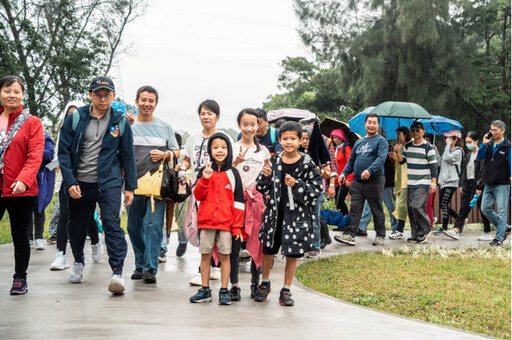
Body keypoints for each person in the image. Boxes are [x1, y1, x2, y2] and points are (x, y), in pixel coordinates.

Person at [58, 76, 137, 294]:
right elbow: (63, 152)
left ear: (113, 96)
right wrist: (70, 181)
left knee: (112, 223)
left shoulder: (120, 121)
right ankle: (78, 262)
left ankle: (117, 272)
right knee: (77, 226)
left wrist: (130, 187)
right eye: (98, 94)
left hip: (109, 182)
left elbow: (128, 156)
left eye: (107, 94)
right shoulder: (76, 118)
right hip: (79, 182)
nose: (103, 99)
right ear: (90, 95)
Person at [254, 121, 322, 307]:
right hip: (274, 217)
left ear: (300, 140)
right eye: (285, 138)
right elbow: (261, 187)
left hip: (296, 219)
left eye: (293, 138)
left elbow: (316, 189)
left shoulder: (308, 164)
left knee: (293, 254)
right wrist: (265, 175)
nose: (289, 142)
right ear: (280, 140)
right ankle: (265, 282)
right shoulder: (274, 161)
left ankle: (286, 289)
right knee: (268, 250)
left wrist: (297, 185)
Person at [176, 99, 233, 286]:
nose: (206, 117)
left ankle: (209, 269)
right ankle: (208, 267)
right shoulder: (193, 138)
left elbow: (230, 164)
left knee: (216, 228)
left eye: (210, 113)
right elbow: (187, 159)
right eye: (203, 113)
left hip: (218, 192)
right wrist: (182, 166)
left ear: (217, 116)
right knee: (201, 229)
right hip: (198, 191)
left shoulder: (224, 137)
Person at [127, 86, 178, 284]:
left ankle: (150, 268)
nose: (147, 104)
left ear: (156, 104)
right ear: (136, 101)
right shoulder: (127, 125)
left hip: (157, 186)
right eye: (143, 100)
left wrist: (165, 154)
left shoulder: (164, 126)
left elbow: (176, 150)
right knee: (133, 226)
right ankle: (139, 263)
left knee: (153, 225)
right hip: (132, 184)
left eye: (151, 101)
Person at [0, 75, 44, 295]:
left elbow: (35, 156)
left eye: (17, 91)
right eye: (8, 90)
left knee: (19, 235)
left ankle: (20, 278)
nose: (12, 95)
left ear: (23, 95)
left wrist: (24, 179)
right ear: (1, 93)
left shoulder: (32, 123)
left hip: (21, 189)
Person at [189, 133, 244, 305]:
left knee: (225, 256)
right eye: (215, 147)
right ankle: (205, 289)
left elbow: (239, 203)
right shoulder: (204, 172)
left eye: (223, 147)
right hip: (206, 223)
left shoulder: (233, 174)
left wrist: (237, 227)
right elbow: (197, 195)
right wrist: (204, 179)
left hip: (226, 224)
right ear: (209, 150)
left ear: (229, 150)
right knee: (205, 256)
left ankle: (224, 289)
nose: (219, 151)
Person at [50, 101, 103, 271]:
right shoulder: (65, 131)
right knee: (64, 215)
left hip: (88, 180)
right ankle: (61, 255)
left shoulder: (91, 130)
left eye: (76, 113)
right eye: (69, 114)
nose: (73, 117)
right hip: (67, 180)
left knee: (88, 216)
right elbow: (59, 152)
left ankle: (95, 241)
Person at [230, 108, 270, 300]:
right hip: (236, 201)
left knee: (257, 242)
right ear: (239, 125)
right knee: (235, 243)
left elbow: (267, 177)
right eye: (245, 124)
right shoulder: (232, 147)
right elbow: (226, 175)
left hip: (257, 202)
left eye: (253, 124)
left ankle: (256, 283)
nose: (249, 128)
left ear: (259, 125)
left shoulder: (263, 151)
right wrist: (235, 163)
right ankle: (234, 285)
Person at [334, 114, 388, 246]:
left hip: (375, 180)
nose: (371, 125)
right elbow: (351, 161)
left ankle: (380, 235)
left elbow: (381, 159)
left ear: (378, 125)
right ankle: (350, 234)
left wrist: (370, 170)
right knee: (355, 208)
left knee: (376, 209)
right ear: (365, 124)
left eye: (374, 123)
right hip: (358, 182)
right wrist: (344, 174)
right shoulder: (359, 142)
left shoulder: (381, 141)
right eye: (369, 122)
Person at [394, 121, 438, 244]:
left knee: (416, 206)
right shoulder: (408, 146)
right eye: (412, 130)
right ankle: (416, 234)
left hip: (423, 182)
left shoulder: (428, 147)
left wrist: (433, 183)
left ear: (423, 132)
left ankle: (426, 229)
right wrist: (397, 152)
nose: (415, 132)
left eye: (417, 130)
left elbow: (433, 166)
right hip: (410, 182)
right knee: (410, 209)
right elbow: (402, 162)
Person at [444, 132, 490, 240]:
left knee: (482, 208)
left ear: (476, 141)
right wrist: (461, 184)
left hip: (478, 184)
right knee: (464, 207)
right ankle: (456, 229)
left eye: (470, 142)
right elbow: (464, 171)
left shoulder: (481, 153)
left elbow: (482, 172)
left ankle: (487, 231)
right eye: (467, 142)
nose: (468, 144)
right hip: (468, 184)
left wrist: (479, 187)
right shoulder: (468, 155)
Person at [357, 128, 398, 237]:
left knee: (391, 206)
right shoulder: (369, 147)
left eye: (382, 134)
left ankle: (396, 228)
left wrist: (392, 156)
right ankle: (362, 228)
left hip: (387, 182)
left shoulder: (389, 148)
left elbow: (394, 164)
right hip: (372, 181)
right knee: (368, 206)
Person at [298, 124, 331, 258]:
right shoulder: (297, 153)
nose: (305, 141)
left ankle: (315, 246)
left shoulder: (319, 153)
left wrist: (320, 171)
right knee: (301, 219)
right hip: (301, 191)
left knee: (314, 220)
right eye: (303, 138)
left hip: (317, 192)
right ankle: (302, 244)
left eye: (308, 138)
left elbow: (328, 172)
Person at [477, 120, 511, 246]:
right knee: (485, 208)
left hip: (502, 183)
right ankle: (505, 228)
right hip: (489, 182)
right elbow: (480, 157)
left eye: (495, 130)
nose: (493, 132)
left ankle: (499, 238)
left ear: (503, 130)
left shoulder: (508, 146)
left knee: (502, 211)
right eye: (491, 130)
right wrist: (484, 144)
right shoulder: (490, 145)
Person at [433, 130, 464, 235]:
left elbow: (447, 158)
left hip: (451, 182)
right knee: (443, 205)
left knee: (443, 204)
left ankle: (444, 228)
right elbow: (440, 162)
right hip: (443, 182)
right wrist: (436, 151)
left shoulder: (458, 151)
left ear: (455, 139)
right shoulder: (448, 150)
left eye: (450, 138)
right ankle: (461, 220)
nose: (447, 140)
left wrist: (447, 146)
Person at [28, 132, 55, 250]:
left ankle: (39, 238)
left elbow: (49, 155)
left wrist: (33, 153)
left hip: (41, 179)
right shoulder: (25, 137)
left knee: (39, 207)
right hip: (27, 177)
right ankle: (29, 238)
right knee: (27, 208)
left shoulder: (46, 139)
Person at [389, 127, 411, 240]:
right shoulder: (401, 146)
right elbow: (397, 161)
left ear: (406, 134)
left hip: (406, 179)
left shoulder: (409, 146)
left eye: (400, 134)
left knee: (402, 205)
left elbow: (403, 161)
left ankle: (399, 230)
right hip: (398, 179)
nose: (398, 136)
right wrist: (394, 154)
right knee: (403, 205)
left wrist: (397, 153)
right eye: (397, 134)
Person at [330, 129, 353, 224]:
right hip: (337, 181)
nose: (335, 140)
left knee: (340, 201)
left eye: (336, 137)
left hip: (344, 180)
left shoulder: (346, 149)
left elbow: (351, 164)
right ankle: (343, 223)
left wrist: (349, 179)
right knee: (337, 202)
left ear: (341, 138)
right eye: (333, 138)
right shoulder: (335, 150)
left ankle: (347, 221)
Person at [424, 133, 441, 228]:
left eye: (428, 141)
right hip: (423, 180)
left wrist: (435, 152)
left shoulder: (434, 151)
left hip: (432, 181)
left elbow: (438, 164)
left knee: (429, 205)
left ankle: (430, 225)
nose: (427, 143)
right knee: (426, 205)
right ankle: (429, 222)